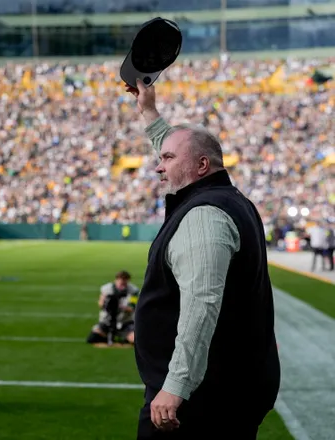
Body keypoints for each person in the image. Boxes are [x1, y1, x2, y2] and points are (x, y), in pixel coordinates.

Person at [126, 79, 281, 439]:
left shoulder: (205, 216)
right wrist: (149, 112)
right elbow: (180, 149)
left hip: (205, 397)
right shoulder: (226, 195)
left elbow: (201, 305)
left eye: (166, 158)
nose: (158, 167)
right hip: (232, 385)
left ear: (201, 165)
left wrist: (176, 386)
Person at [86, 271, 139, 346]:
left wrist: (119, 306)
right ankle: (109, 336)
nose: (122, 286)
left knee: (135, 339)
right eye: (121, 283)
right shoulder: (107, 289)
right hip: (108, 321)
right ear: (116, 280)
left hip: (124, 322)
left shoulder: (133, 291)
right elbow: (101, 304)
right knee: (92, 338)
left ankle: (124, 337)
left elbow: (132, 307)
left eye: (125, 283)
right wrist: (108, 305)